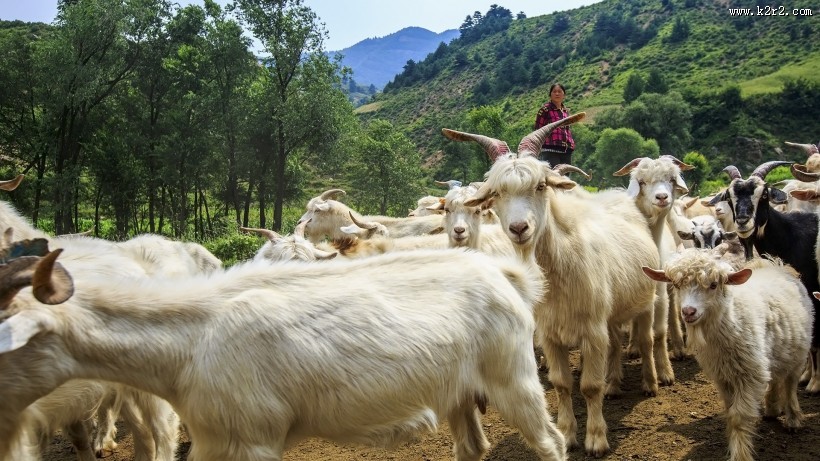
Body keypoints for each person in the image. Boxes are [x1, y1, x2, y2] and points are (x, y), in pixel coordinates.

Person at [534, 83, 576, 166]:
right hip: (550, 149)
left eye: (559, 91)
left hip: (566, 149)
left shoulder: (565, 111)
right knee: (552, 176)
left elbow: (567, 130)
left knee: (565, 177)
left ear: (564, 95)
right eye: (554, 92)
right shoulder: (545, 110)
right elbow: (538, 130)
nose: (557, 94)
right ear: (550, 95)